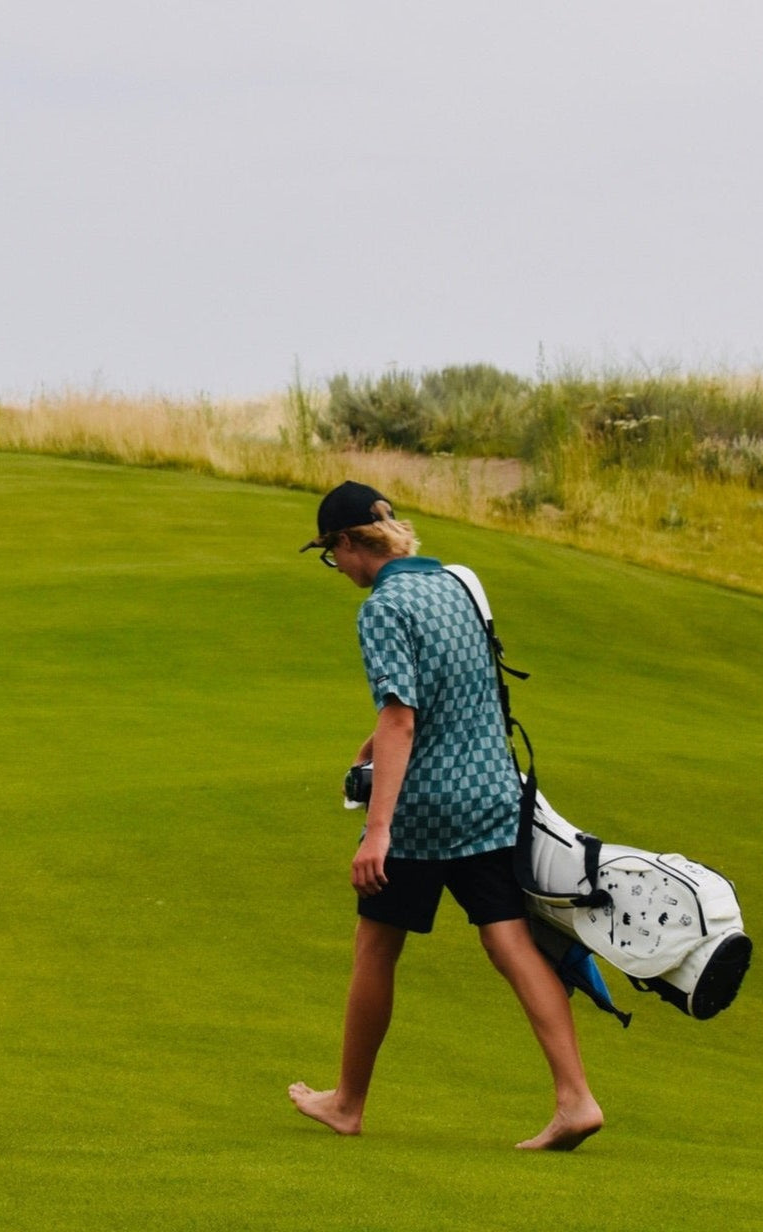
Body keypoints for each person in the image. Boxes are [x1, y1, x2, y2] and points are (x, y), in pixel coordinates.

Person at [286, 481, 603, 1151]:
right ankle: (576, 1099)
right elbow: (456, 691)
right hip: (492, 796)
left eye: (329, 554)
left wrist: (378, 829)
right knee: (509, 940)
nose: (334, 568)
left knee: (376, 945)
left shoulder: (383, 607)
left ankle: (347, 1103)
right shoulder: (458, 584)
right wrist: (369, 747)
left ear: (349, 544)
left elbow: (402, 715)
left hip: (427, 811)